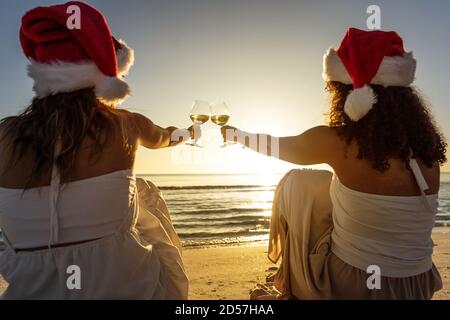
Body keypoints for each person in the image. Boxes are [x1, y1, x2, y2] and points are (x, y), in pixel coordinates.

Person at [222, 28, 447, 299]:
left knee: (298, 183)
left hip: (356, 284)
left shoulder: (336, 142)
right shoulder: (426, 150)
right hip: (416, 284)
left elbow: (275, 146)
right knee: (326, 187)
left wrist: (235, 135)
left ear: (347, 92)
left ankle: (292, 282)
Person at [0, 1, 191, 299]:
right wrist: (188, 134)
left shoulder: (4, 134)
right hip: (125, 290)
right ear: (106, 76)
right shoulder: (127, 124)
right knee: (144, 191)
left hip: (31, 290)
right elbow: (166, 138)